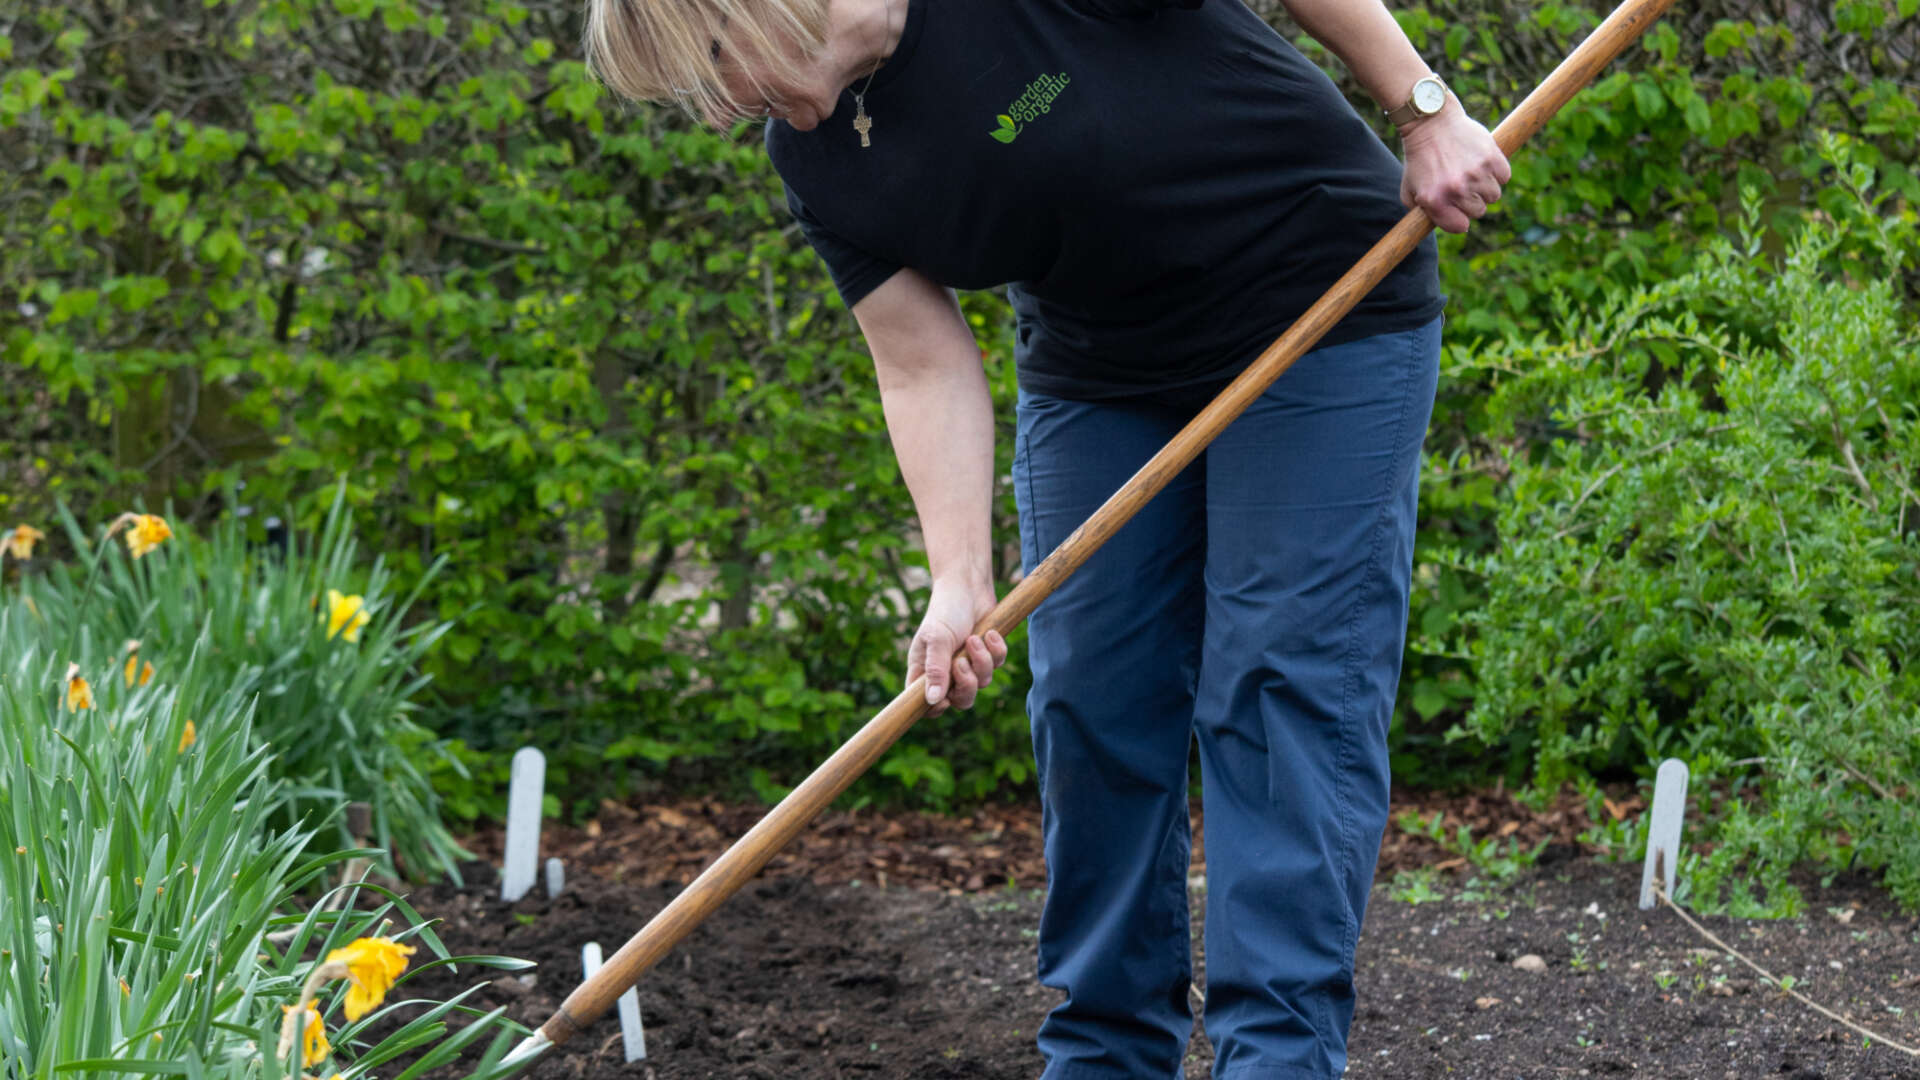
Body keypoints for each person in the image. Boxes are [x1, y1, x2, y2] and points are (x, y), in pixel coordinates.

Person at [584, 0, 1509, 1075]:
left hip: (1318, 309)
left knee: (1279, 684)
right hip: (1104, 369)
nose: (717, 107)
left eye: (708, 67)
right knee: (1091, 696)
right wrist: (955, 579)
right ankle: (1104, 1054)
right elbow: (921, 363)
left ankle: (1278, 1055)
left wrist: (1423, 107)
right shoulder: (815, 158)